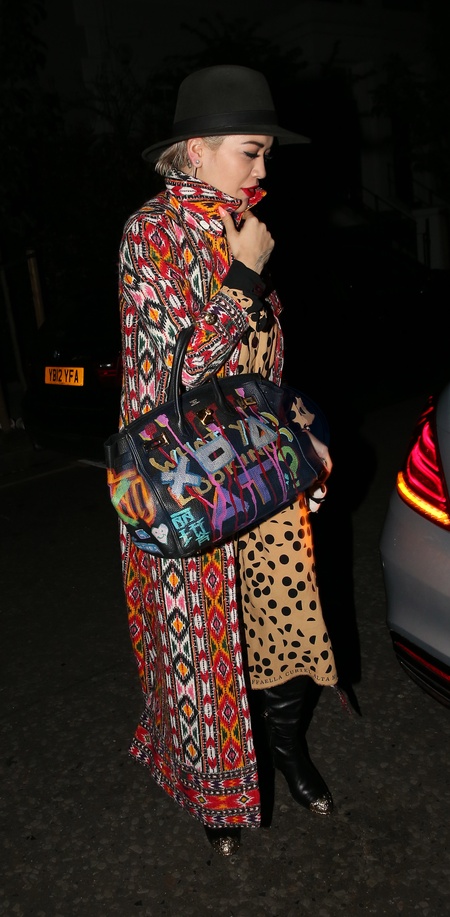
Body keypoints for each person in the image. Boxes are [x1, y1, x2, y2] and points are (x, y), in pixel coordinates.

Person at [116, 64, 341, 857]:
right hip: (184, 482)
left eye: (265, 152)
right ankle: (217, 790)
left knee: (281, 619)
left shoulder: (239, 222)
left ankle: (285, 747)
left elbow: (258, 366)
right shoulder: (151, 233)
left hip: (260, 471)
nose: (262, 166)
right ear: (196, 150)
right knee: (204, 648)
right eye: (251, 150)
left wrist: (302, 433)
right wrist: (244, 273)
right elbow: (175, 379)